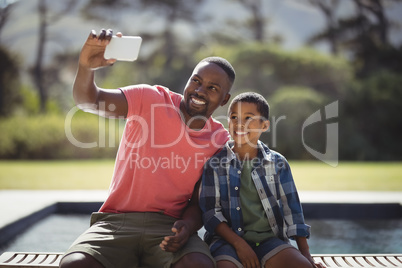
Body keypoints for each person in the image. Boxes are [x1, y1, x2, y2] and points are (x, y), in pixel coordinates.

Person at [60, 29, 236, 268]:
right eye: (196, 80)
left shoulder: (219, 139)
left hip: (168, 226)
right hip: (116, 222)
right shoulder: (150, 98)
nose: (199, 90)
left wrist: (187, 227)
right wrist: (86, 67)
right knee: (75, 264)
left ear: (224, 99)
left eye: (212, 88)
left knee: (200, 265)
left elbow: (198, 202)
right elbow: (88, 100)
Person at [199, 92, 325, 268]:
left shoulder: (278, 163)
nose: (239, 123)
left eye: (248, 118)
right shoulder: (214, 164)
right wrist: (239, 244)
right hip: (227, 242)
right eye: (234, 117)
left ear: (264, 125)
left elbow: (292, 210)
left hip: (269, 240)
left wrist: (306, 256)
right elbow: (211, 214)